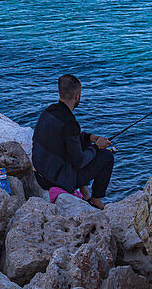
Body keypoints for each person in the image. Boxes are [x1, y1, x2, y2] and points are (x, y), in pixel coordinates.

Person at [32, 74, 114, 209]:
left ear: (59, 92)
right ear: (77, 96)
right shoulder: (70, 123)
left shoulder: (48, 112)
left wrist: (89, 137)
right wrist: (97, 147)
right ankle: (96, 199)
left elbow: (64, 138)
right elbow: (79, 161)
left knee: (84, 144)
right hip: (55, 180)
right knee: (107, 157)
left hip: (40, 173)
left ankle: (85, 192)